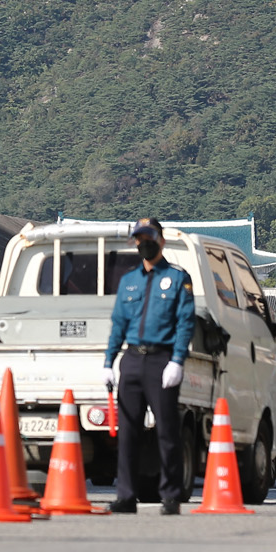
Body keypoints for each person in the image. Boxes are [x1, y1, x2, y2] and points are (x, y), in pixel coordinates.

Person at [103, 218, 195, 514]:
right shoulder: (129, 280)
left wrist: (177, 361)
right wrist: (109, 362)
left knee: (167, 430)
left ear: (161, 240)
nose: (144, 243)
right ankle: (126, 495)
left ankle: (171, 495)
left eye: (149, 237)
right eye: (139, 239)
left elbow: (185, 322)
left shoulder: (178, 278)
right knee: (128, 432)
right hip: (131, 360)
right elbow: (118, 324)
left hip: (161, 359)